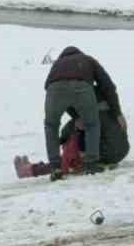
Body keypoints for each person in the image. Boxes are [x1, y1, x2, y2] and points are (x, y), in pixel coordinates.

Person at [40, 46, 126, 179]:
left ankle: (55, 167)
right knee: (91, 124)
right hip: (81, 86)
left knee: (51, 126)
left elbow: (50, 86)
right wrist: (117, 113)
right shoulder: (87, 60)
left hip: (54, 90)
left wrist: (76, 116)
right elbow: (108, 86)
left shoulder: (57, 65)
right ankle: (91, 164)